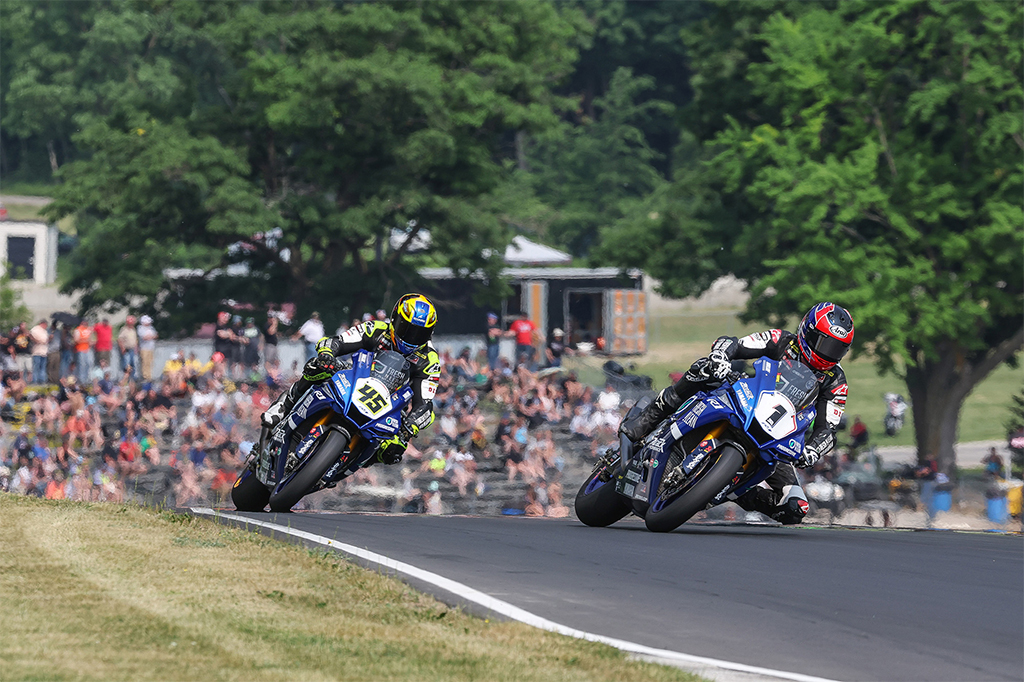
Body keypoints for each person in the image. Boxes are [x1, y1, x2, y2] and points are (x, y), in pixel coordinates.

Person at [619, 301, 854, 525]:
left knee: (795, 508)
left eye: (838, 349)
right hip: (744, 401)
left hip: (777, 437)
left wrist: (813, 451)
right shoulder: (782, 340)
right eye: (825, 344)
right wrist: (721, 355)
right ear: (808, 332)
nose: (829, 354)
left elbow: (828, 428)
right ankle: (647, 419)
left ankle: (733, 491)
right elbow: (736, 343)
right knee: (703, 369)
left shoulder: (836, 381)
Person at [262, 294, 441, 466]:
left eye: (420, 334)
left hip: (389, 405)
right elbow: (336, 341)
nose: (411, 339)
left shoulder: (429, 360)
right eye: (407, 329)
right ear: (395, 320)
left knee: (394, 450)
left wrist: (411, 425)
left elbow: (424, 404)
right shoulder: (377, 329)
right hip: (354, 378)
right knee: (318, 366)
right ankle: (285, 405)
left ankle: (345, 465)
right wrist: (327, 354)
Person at [117, 314, 139, 379]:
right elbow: (119, 339)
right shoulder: (124, 330)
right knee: (126, 366)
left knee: (133, 365)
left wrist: (136, 348)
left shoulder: (133, 330)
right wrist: (122, 348)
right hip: (127, 350)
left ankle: (133, 379)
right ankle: (126, 379)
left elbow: (135, 340)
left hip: (133, 349)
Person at [137, 315, 158, 381]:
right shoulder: (140, 328)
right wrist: (151, 337)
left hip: (151, 348)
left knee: (150, 362)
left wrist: (150, 337)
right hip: (144, 348)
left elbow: (156, 335)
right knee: (145, 362)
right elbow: (144, 337)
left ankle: (149, 376)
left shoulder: (151, 328)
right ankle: (145, 376)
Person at [29, 319, 49, 385]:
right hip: (37, 352)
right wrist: (39, 341)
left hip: (44, 352)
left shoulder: (45, 331)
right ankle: (35, 381)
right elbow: (31, 337)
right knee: (36, 367)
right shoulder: (35, 329)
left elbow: (46, 340)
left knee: (43, 367)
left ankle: (42, 380)